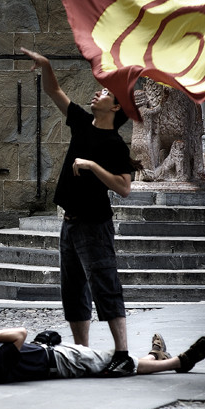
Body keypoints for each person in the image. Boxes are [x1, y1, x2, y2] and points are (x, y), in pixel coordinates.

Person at [19, 47, 135, 375]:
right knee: (72, 288)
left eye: (105, 93)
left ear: (115, 107)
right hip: (69, 222)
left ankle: (122, 354)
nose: (97, 92)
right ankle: (82, 352)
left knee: (104, 283)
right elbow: (54, 91)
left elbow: (124, 187)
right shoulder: (82, 123)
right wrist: (45, 64)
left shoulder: (115, 144)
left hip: (94, 223)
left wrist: (92, 165)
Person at [0, 318, 205, 386]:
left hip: (55, 353)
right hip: (62, 362)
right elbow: (19, 334)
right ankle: (178, 363)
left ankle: (154, 355)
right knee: (120, 363)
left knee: (113, 360)